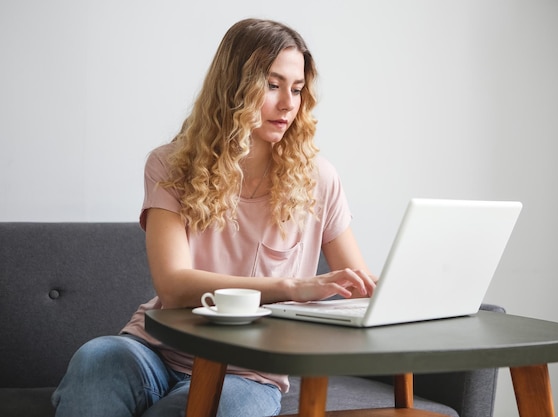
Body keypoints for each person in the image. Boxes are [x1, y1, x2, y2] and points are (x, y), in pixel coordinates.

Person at [52, 18, 376, 417]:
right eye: (272, 86)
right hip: (154, 351)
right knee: (95, 360)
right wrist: (292, 286)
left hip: (248, 374)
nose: (289, 104)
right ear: (235, 87)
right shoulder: (170, 165)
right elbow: (173, 286)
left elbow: (357, 288)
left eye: (296, 89)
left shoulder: (319, 179)